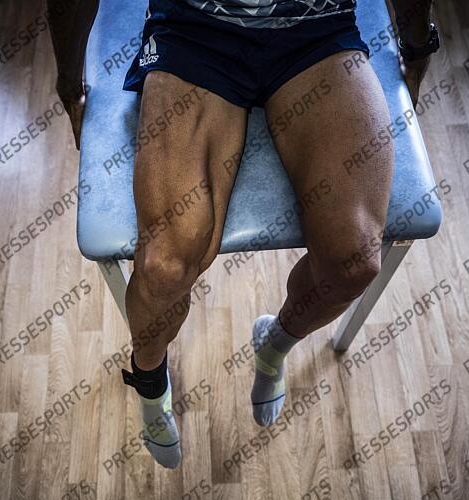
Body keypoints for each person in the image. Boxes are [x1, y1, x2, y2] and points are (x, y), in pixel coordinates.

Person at [47, 0, 439, 468]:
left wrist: (418, 48)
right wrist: (69, 84)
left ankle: (274, 344)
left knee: (353, 263)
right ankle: (150, 382)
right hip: (196, 30)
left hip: (317, 28)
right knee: (164, 267)